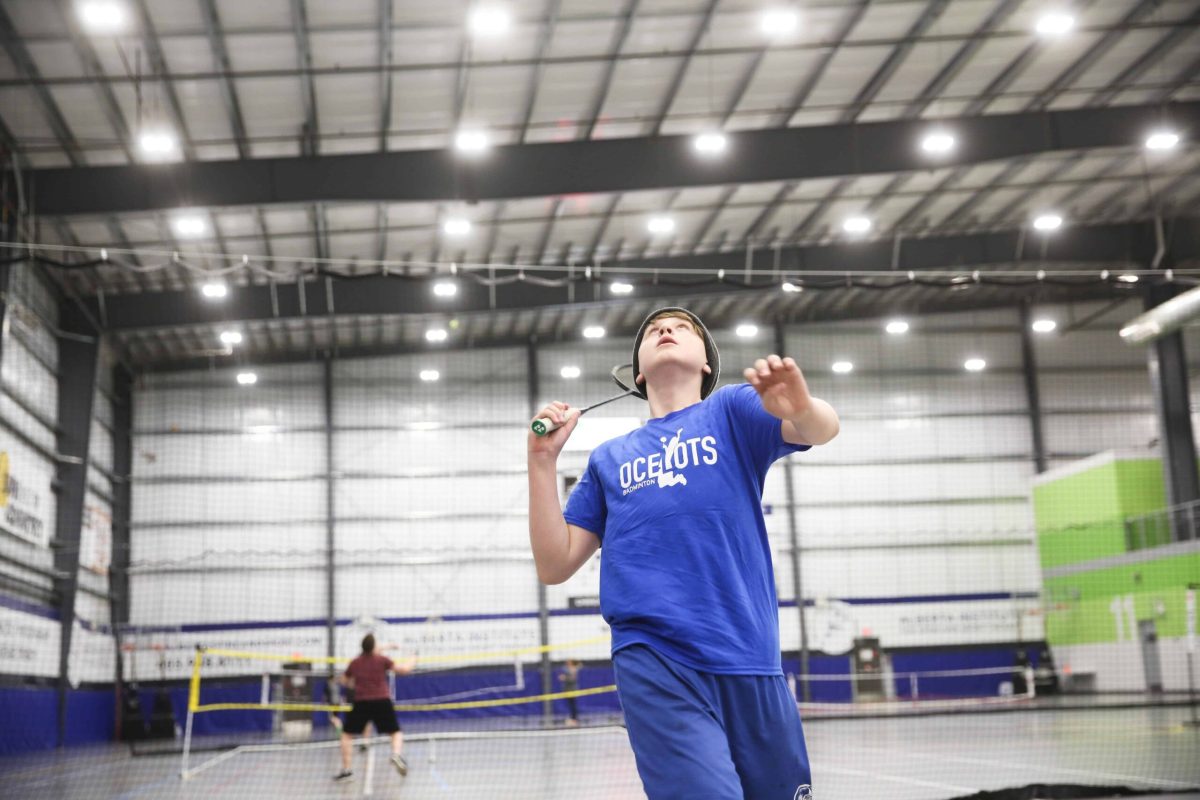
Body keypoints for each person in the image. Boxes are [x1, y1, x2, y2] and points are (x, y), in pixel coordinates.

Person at [527, 307, 839, 799]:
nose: (665, 330)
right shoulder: (610, 457)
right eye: (652, 330)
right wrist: (542, 462)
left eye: (681, 328)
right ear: (637, 374)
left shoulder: (733, 410)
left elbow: (821, 430)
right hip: (656, 657)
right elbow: (554, 563)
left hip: (752, 658)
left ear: (707, 365)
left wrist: (801, 407)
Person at [332, 633, 416, 783]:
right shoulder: (382, 660)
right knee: (395, 733)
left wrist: (356, 683)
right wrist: (413, 658)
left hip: (362, 702)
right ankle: (396, 754)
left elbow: (344, 680)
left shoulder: (355, 662)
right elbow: (404, 670)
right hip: (382, 701)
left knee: (346, 735)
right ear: (374, 646)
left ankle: (347, 770)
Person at [558, 659, 582, 726]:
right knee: (570, 705)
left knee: (573, 705)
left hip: (572, 690)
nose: (567, 662)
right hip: (567, 690)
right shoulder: (567, 669)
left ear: (571, 663)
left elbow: (572, 679)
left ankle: (574, 719)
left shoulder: (573, 669)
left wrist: (565, 678)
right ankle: (572, 718)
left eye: (568, 662)